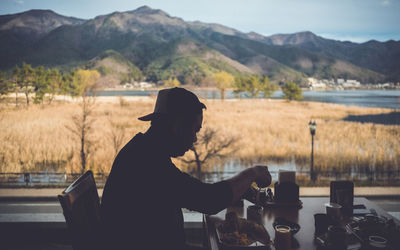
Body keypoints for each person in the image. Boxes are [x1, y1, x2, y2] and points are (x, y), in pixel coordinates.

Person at [100, 87, 271, 250]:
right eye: (194, 130)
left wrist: (239, 189)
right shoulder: (147, 162)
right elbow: (208, 200)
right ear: (177, 126)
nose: (195, 138)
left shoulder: (143, 150)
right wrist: (253, 173)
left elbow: (192, 191)